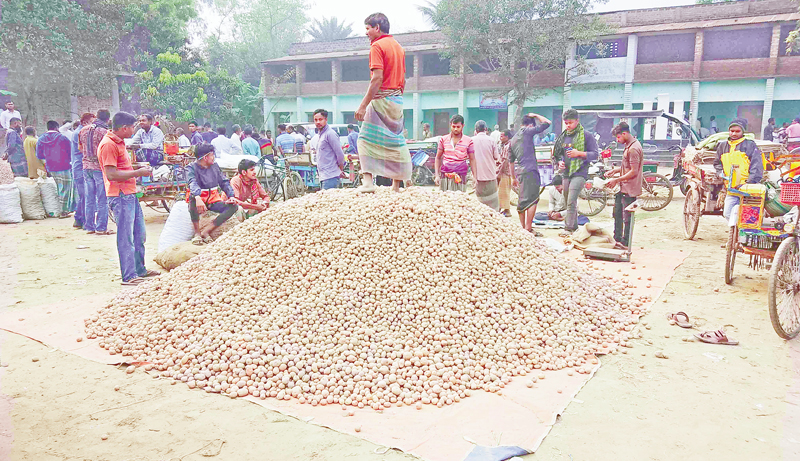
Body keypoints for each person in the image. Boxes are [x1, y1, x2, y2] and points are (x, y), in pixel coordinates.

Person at [355, 12, 413, 193]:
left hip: (382, 99)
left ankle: (368, 182)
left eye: (368, 28)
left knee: (364, 139)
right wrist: (396, 96)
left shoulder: (377, 46)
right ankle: (398, 183)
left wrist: (363, 105)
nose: (366, 33)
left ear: (377, 28)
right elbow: (403, 78)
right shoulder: (398, 47)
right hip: (397, 99)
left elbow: (377, 79)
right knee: (396, 141)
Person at [97, 111, 156, 285]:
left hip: (129, 193)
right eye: (132, 127)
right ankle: (129, 275)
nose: (133, 131)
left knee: (139, 234)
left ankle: (140, 269)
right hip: (120, 195)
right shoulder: (108, 145)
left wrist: (136, 168)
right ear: (124, 128)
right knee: (126, 236)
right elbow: (111, 174)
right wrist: (138, 172)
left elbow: (120, 167)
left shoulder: (120, 142)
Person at [553, 109, 599, 234]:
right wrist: (559, 162)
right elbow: (556, 154)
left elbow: (595, 154)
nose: (568, 125)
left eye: (570, 123)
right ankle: (573, 227)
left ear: (577, 121)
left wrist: (579, 153)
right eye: (566, 123)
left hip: (580, 172)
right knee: (568, 200)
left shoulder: (587, 136)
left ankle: (568, 228)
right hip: (566, 173)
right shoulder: (563, 136)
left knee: (571, 200)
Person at [713, 118, 764, 227]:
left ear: (743, 132)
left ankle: (738, 237)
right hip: (731, 187)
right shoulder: (722, 146)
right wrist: (720, 172)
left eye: (737, 131)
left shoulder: (750, 145)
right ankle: (735, 235)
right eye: (732, 131)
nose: (734, 133)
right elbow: (717, 163)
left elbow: (756, 166)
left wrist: (749, 182)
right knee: (727, 213)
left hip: (747, 187)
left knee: (749, 216)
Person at [508, 113, 552, 234]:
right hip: (531, 170)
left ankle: (523, 228)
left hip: (520, 172)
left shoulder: (513, 140)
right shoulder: (527, 131)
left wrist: (513, 178)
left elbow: (510, 162)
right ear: (530, 125)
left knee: (522, 200)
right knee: (533, 199)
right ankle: (528, 228)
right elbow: (547, 122)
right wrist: (536, 115)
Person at [186, 144, 238, 245]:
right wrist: (197, 197)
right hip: (198, 199)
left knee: (233, 207)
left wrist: (231, 196)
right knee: (192, 200)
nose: (214, 157)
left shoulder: (215, 167)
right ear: (205, 157)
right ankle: (197, 233)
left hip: (212, 201)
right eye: (212, 155)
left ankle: (206, 231)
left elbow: (224, 182)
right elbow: (192, 182)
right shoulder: (191, 168)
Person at [605, 122, 643, 250]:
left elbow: (634, 171)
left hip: (630, 188)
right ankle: (617, 239)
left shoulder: (633, 149)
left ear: (625, 134)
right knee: (617, 214)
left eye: (618, 137)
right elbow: (626, 167)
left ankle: (625, 243)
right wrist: (615, 171)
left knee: (627, 218)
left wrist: (616, 179)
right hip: (623, 187)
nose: (617, 140)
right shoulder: (629, 145)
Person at [79, 109, 112, 235]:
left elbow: (80, 148)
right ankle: (101, 227)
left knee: (89, 198)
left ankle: (89, 226)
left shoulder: (83, 130)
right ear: (108, 119)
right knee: (102, 198)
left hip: (86, 166)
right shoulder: (105, 132)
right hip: (99, 168)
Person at [37, 120, 74, 218]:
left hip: (50, 167)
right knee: (65, 189)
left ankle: (58, 209)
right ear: (57, 127)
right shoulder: (62, 138)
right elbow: (71, 151)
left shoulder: (41, 139)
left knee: (57, 188)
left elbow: (39, 155)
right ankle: (63, 211)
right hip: (64, 166)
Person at [435, 114, 473, 192]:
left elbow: (473, 159)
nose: (455, 129)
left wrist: (475, 177)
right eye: (453, 126)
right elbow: (438, 158)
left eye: (458, 127)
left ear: (463, 126)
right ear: (450, 125)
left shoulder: (468, 141)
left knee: (460, 200)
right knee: (445, 200)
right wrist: (437, 175)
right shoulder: (443, 139)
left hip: (461, 176)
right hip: (445, 176)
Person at [71, 112, 95, 230]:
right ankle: (85, 221)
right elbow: (84, 150)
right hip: (80, 167)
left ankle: (79, 219)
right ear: (85, 122)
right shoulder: (80, 133)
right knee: (85, 195)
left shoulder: (80, 132)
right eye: (92, 122)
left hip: (80, 166)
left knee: (84, 195)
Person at [312, 109, 346, 190]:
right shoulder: (321, 135)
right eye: (316, 120)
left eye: (320, 119)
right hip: (323, 176)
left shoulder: (330, 134)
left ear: (326, 120)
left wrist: (340, 169)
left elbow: (340, 154)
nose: (318, 122)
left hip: (330, 176)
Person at [472, 120, 500, 211]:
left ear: (475, 130)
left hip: (477, 176)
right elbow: (496, 157)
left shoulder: (471, 141)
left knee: (480, 203)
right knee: (493, 202)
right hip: (490, 175)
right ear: (486, 129)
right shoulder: (492, 141)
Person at [496, 129, 514, 217]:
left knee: (504, 191)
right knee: (501, 191)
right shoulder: (504, 145)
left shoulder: (508, 146)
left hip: (505, 171)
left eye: (502, 136)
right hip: (503, 170)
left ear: (507, 137)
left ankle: (507, 210)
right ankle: (500, 208)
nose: (500, 138)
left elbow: (505, 161)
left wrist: (499, 171)